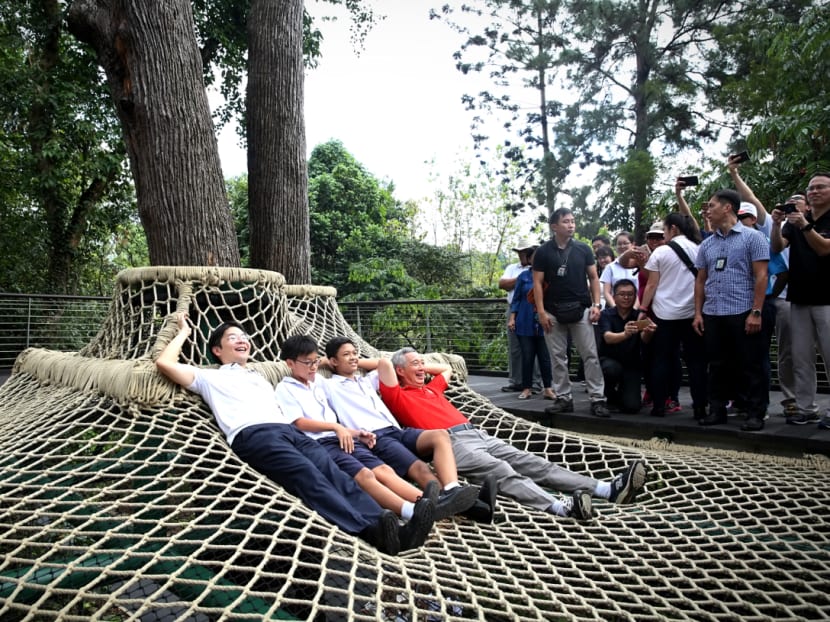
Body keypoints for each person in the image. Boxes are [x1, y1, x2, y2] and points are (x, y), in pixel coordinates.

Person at [154, 314, 427, 556]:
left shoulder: (258, 377)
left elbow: (312, 370)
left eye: (245, 336)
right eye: (232, 337)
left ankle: (384, 523)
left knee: (334, 473)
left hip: (287, 431)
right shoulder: (207, 377)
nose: (242, 340)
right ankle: (368, 531)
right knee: (307, 475)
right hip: (255, 434)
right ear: (217, 349)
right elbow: (164, 363)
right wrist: (183, 333)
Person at [378, 347, 649, 522]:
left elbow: (446, 369)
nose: (422, 368)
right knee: (502, 470)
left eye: (422, 363)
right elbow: (382, 363)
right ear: (399, 370)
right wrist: (394, 357)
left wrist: (423, 363)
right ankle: (560, 507)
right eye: (415, 364)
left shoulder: (431, 389)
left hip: (477, 434)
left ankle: (606, 490)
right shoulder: (397, 395)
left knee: (533, 462)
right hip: (450, 443)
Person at [276, 335, 448, 528]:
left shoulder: (317, 386)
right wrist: (337, 427)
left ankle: (436, 505)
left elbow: (383, 364)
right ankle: (413, 511)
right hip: (320, 443)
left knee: (385, 470)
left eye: (315, 361)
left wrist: (357, 434)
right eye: (307, 362)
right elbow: (298, 422)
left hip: (346, 437)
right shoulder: (288, 388)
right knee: (366, 475)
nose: (313, 367)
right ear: (290, 363)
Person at [323, 336, 497, 522]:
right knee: (421, 469)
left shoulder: (367, 380)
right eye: (346, 355)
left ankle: (453, 489)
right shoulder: (328, 385)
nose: (353, 357)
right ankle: (475, 508)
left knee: (439, 435)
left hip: (397, 431)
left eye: (354, 353)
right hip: (377, 436)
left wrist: (353, 360)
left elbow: (385, 363)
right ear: (334, 361)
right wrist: (325, 362)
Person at [693, 189, 770, 431]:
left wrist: (756, 311)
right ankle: (716, 410)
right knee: (716, 364)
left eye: (712, 206)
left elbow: (761, 276)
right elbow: (700, 280)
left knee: (750, 364)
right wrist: (698, 313)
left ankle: (755, 412)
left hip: (743, 311)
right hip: (713, 312)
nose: (708, 210)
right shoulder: (707, 244)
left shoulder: (753, 238)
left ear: (727, 208)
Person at [531, 208, 610, 418]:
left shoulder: (583, 249)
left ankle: (598, 398)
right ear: (554, 226)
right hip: (552, 311)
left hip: (581, 308)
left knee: (590, 355)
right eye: (566, 221)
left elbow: (593, 278)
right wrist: (541, 312)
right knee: (557, 357)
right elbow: (537, 283)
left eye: (573, 221)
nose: (571, 225)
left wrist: (596, 304)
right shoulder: (543, 252)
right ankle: (563, 397)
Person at [771, 174, 830, 429]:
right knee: (801, 357)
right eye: (811, 188)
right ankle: (807, 409)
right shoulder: (793, 223)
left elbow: (824, 248)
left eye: (821, 187)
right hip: (799, 298)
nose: (815, 191)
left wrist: (805, 225)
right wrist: (776, 224)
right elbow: (776, 247)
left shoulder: (809, 221)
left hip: (827, 298)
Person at [638, 213, 708, 420]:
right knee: (696, 362)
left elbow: (651, 284)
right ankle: (700, 408)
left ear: (674, 229)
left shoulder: (661, 253)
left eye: (666, 230)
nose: (664, 235)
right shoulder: (699, 249)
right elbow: (703, 281)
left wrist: (643, 309)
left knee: (662, 360)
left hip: (664, 315)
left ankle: (659, 406)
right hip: (691, 314)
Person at [598, 279, 655, 413]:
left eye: (630, 294)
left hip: (632, 364)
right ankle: (609, 395)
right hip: (609, 361)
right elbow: (608, 338)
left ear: (635, 297)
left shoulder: (639, 317)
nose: (626, 298)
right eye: (622, 294)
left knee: (632, 407)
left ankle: (622, 395)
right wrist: (625, 334)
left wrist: (649, 332)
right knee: (611, 369)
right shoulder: (606, 315)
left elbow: (645, 340)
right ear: (614, 296)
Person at [508, 245, 556, 401]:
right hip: (524, 320)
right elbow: (516, 299)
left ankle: (548, 388)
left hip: (545, 322)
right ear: (529, 259)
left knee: (545, 357)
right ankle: (526, 388)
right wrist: (512, 318)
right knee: (527, 356)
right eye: (534, 256)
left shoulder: (550, 276)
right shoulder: (523, 277)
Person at [498, 239, 540, 393]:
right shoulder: (512, 268)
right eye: (521, 251)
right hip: (513, 310)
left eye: (526, 251)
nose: (523, 254)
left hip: (532, 310)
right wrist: (522, 278)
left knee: (534, 346)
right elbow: (502, 284)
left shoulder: (538, 268)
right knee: (515, 347)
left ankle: (535, 383)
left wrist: (518, 281)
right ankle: (516, 381)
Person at [599, 232, 639, 308]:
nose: (622, 246)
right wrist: (616, 310)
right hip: (614, 308)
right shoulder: (610, 267)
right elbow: (606, 292)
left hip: (635, 308)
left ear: (633, 244)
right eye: (619, 244)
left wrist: (634, 310)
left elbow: (641, 291)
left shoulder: (639, 266)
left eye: (625, 243)